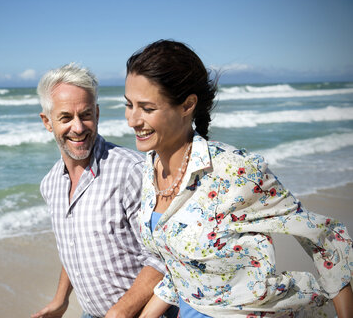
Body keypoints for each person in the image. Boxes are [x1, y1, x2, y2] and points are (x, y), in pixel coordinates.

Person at [123, 39, 353, 317]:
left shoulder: (234, 171)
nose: (132, 120)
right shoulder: (150, 170)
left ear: (187, 105)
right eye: (129, 105)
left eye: (146, 108)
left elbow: (324, 238)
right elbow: (182, 265)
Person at [32, 63, 177, 318]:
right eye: (66, 117)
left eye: (85, 115)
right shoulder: (50, 184)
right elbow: (73, 246)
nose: (78, 127)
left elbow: (163, 255)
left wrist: (120, 312)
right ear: (47, 122)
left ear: (97, 114)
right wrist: (61, 299)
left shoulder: (131, 171)